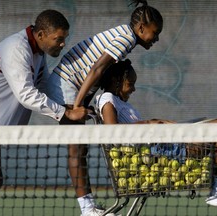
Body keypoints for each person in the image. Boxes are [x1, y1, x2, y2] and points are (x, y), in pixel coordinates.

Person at [46, 1, 163, 215]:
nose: (156, 39)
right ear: (141, 29)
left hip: (75, 87)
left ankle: (88, 206)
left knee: (81, 149)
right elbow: (97, 69)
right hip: (66, 85)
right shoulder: (126, 39)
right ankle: (87, 209)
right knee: (77, 149)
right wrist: (79, 105)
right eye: (154, 33)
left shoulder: (126, 37)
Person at [0, 10, 90, 216]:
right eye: (58, 39)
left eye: (64, 39)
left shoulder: (38, 55)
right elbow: (26, 93)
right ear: (41, 34)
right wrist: (65, 114)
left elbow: (43, 87)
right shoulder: (16, 48)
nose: (62, 44)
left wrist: (68, 107)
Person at [95, 59, 217, 216]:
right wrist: (149, 123)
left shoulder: (121, 103)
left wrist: (160, 122)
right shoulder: (107, 98)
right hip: (162, 152)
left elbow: (138, 126)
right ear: (116, 81)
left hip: (165, 144)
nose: (134, 89)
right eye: (130, 84)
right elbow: (112, 131)